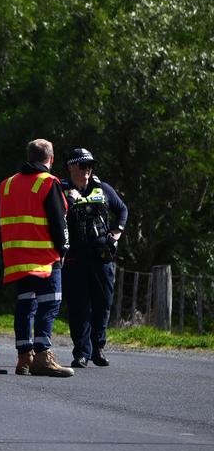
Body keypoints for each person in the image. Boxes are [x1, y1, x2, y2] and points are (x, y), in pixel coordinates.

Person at [0, 139, 73, 377]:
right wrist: (64, 249)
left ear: (28, 157)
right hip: (44, 257)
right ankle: (43, 355)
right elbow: (59, 221)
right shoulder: (48, 183)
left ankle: (24, 357)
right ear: (50, 159)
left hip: (17, 257)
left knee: (25, 305)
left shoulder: (7, 184)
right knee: (49, 304)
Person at [61, 148, 128, 368]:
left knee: (103, 304)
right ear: (71, 167)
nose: (87, 170)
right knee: (78, 307)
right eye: (82, 165)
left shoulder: (103, 188)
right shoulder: (61, 190)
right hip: (74, 259)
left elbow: (122, 210)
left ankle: (98, 347)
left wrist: (116, 232)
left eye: (90, 165)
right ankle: (81, 352)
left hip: (101, 257)